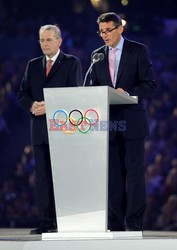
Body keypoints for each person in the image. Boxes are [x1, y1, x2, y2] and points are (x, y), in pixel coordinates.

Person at [88, 12, 157, 231]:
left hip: (132, 120)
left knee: (135, 174)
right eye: (101, 32)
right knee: (113, 175)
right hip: (108, 123)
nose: (104, 35)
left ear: (120, 29)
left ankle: (135, 223)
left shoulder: (138, 50)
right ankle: (115, 223)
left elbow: (150, 85)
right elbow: (92, 86)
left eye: (108, 30)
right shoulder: (97, 55)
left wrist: (127, 92)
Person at [18, 24, 82, 234]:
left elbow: (75, 94)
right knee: (43, 178)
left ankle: (66, 221)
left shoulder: (71, 62)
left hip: (62, 130)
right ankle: (46, 223)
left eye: (48, 40)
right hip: (39, 129)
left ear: (59, 41)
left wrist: (51, 105)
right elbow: (23, 93)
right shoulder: (33, 64)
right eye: (42, 40)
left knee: (64, 176)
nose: (45, 44)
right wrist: (31, 105)